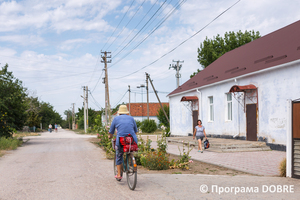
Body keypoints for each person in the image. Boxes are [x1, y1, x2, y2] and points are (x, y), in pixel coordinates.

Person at [108, 105, 138, 180]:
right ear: (126, 112)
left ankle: (118, 174)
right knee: (130, 150)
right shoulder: (131, 118)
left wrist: (110, 136)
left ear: (119, 112)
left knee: (119, 155)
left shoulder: (116, 119)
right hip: (132, 140)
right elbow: (135, 131)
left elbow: (111, 131)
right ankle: (131, 160)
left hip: (121, 140)